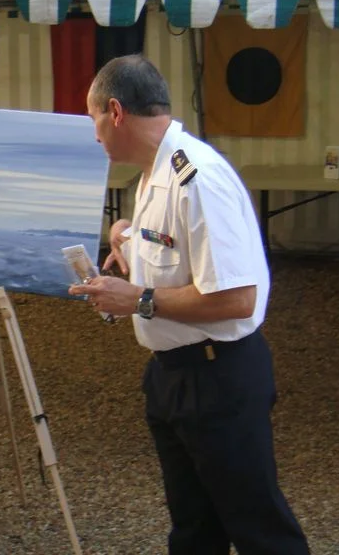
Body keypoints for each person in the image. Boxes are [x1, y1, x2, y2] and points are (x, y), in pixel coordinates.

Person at [69, 55, 310, 555]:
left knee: (260, 531)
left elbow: (237, 298)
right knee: (194, 530)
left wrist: (139, 298)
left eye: (92, 118)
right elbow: (175, 256)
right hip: (177, 376)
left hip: (216, 380)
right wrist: (127, 239)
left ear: (115, 111)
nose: (92, 134)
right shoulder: (156, 174)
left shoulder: (196, 178)